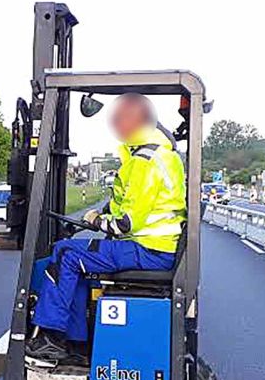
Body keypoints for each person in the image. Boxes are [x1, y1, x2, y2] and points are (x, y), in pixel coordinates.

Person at [27, 93, 187, 363]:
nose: (114, 122)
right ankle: (77, 345)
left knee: (67, 254)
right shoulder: (156, 155)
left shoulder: (144, 161)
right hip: (157, 246)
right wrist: (102, 213)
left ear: (138, 120)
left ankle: (50, 338)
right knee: (75, 263)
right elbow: (129, 204)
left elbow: (126, 224)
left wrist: (97, 221)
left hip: (149, 249)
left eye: (120, 117)